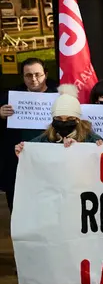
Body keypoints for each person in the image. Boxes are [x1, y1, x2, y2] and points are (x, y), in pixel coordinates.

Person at [15, 84, 103, 284]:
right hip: (55, 222)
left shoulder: (92, 140)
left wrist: (96, 151)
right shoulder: (41, 142)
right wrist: (23, 153)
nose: (63, 124)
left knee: (82, 275)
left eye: (69, 120)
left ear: (79, 120)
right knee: (60, 276)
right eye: (60, 119)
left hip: (83, 222)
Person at [0, 58, 58, 213]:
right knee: (19, 206)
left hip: (50, 161)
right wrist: (0, 114)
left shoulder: (58, 96)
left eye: (38, 74)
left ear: (45, 74)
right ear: (22, 77)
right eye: (28, 75)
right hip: (17, 162)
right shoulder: (10, 97)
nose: (33, 79)